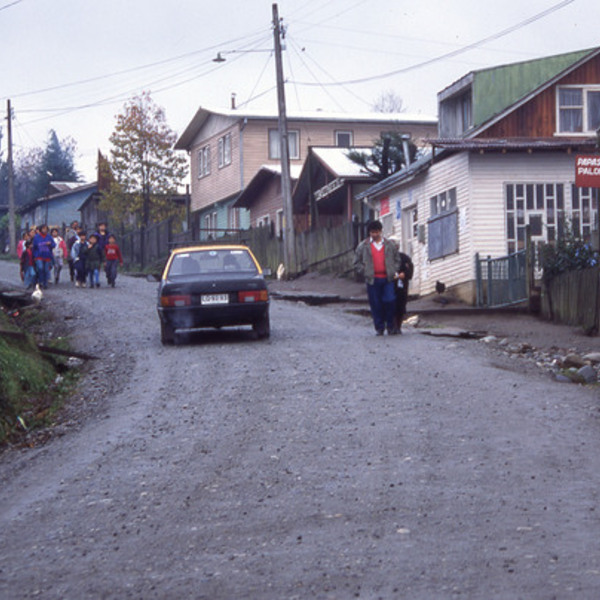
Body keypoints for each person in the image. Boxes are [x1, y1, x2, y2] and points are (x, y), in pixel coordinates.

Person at [353, 220, 401, 335]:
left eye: (376, 232)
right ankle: (379, 327)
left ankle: (390, 325)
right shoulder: (363, 246)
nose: (374, 235)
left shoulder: (389, 245)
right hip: (372, 279)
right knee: (376, 304)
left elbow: (397, 260)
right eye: (372, 232)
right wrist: (364, 271)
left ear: (380, 231)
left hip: (387, 278)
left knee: (390, 300)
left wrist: (394, 270)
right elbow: (356, 262)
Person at [394, 250, 414, 333]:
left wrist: (405, 274)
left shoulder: (404, 257)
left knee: (401, 304)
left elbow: (410, 268)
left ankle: (398, 325)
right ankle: (392, 325)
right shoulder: (386, 258)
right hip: (390, 285)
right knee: (390, 304)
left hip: (402, 285)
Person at [32, 224, 56, 289]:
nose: (44, 230)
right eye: (43, 228)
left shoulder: (49, 237)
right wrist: (34, 255)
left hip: (47, 256)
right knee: (40, 268)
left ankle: (45, 283)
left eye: (45, 229)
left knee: (46, 270)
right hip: (39, 255)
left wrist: (50, 244)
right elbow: (34, 247)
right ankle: (40, 281)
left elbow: (54, 245)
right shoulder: (36, 237)